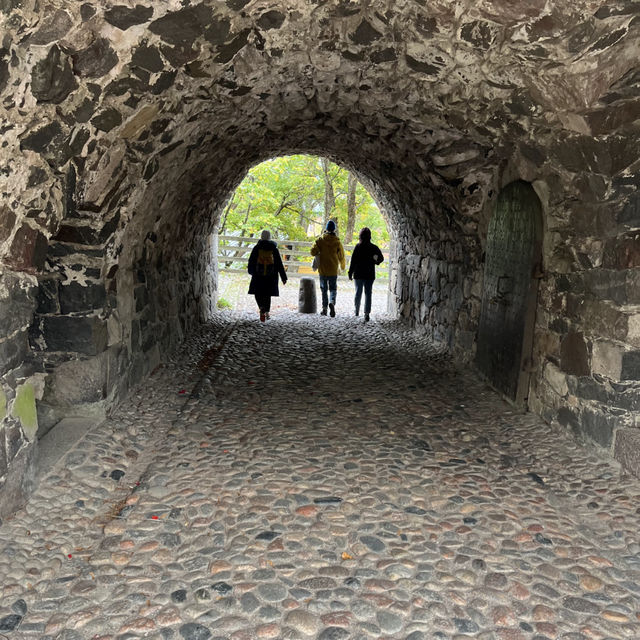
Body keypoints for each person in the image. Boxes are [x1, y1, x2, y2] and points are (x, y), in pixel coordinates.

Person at [247, 230, 287, 322]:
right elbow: (279, 264)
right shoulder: (274, 248)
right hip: (270, 275)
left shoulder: (257, 248)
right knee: (267, 294)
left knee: (258, 292)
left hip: (258, 275)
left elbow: (251, 261)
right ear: (269, 237)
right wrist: (283, 277)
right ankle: (267, 312)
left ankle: (261, 307)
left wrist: (251, 271)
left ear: (261, 237)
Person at [348, 227, 384, 322]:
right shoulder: (374, 247)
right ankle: (367, 313)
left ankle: (356, 310)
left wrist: (350, 272)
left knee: (358, 293)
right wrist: (375, 261)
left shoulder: (358, 247)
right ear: (369, 236)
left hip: (358, 274)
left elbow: (353, 261)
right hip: (369, 274)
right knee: (368, 294)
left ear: (360, 236)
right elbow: (381, 258)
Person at [310, 220, 346, 317]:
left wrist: (318, 250)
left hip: (323, 269)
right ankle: (332, 301)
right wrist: (342, 267)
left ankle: (324, 309)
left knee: (324, 289)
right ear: (334, 229)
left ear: (326, 228)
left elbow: (312, 252)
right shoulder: (337, 242)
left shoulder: (320, 240)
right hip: (333, 269)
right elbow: (341, 256)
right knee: (333, 289)